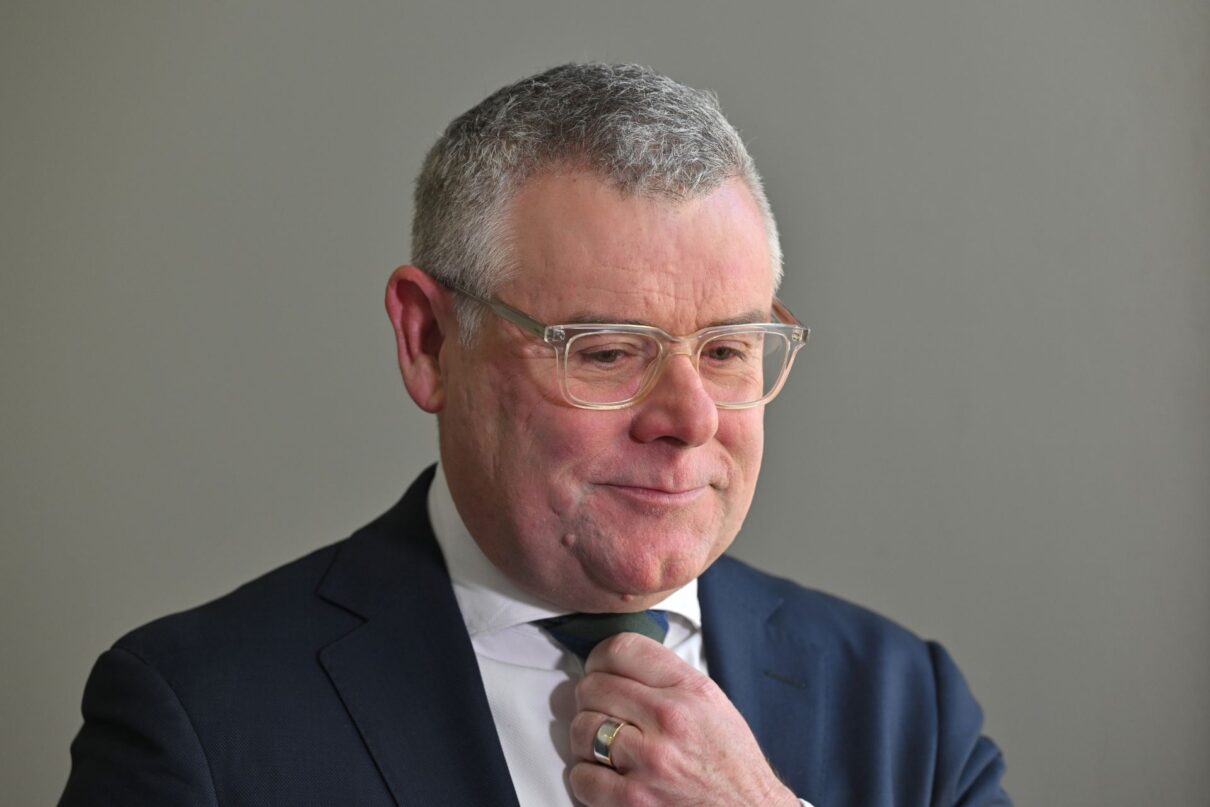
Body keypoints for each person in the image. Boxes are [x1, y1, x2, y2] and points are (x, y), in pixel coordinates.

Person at [60, 63, 1010, 806]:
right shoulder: (199, 713)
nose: (688, 420)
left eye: (727, 349)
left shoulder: (904, 705)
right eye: (605, 351)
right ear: (429, 340)